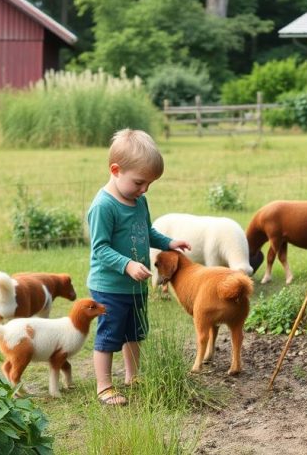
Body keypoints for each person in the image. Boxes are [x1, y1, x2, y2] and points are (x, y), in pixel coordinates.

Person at [86, 129, 190, 406]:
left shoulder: (139, 201)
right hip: (109, 286)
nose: (144, 190)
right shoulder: (103, 206)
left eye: (149, 185)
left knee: (135, 332)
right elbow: (100, 248)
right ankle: (104, 385)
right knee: (110, 334)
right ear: (116, 170)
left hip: (136, 285)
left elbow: (148, 232)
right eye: (139, 182)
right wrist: (128, 264)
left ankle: (133, 376)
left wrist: (169, 242)